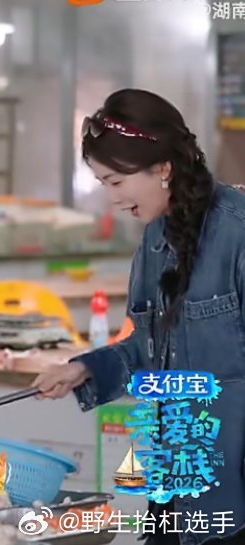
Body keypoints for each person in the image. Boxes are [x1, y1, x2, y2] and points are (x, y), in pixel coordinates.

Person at [33, 89, 245, 543]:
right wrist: (86, 369)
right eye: (103, 184)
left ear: (163, 168)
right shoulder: (153, 241)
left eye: (116, 181)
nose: (112, 198)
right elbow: (149, 348)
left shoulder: (238, 232)